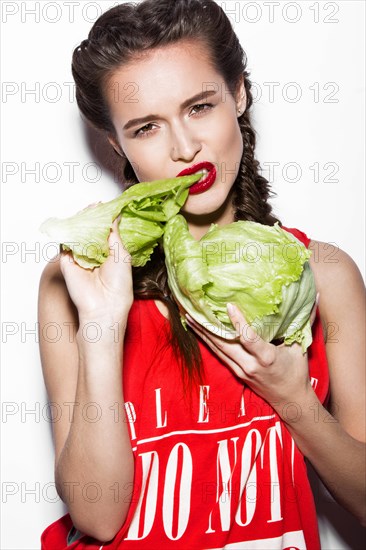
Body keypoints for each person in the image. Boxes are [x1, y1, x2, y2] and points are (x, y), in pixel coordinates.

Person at [38, 0, 365, 548]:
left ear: (238, 94)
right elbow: (97, 519)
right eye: (146, 127)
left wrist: (292, 397)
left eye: (199, 107)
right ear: (116, 143)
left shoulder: (323, 274)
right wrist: (101, 327)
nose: (184, 148)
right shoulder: (77, 281)